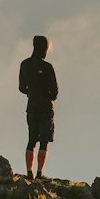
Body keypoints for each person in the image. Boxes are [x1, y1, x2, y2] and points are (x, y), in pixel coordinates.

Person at [18, 35, 58, 180]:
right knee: (44, 140)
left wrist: (31, 93)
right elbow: (54, 91)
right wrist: (48, 96)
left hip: (32, 105)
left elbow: (21, 87)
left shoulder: (25, 64)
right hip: (46, 107)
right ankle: (40, 174)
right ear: (45, 49)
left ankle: (29, 172)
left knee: (31, 139)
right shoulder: (47, 67)